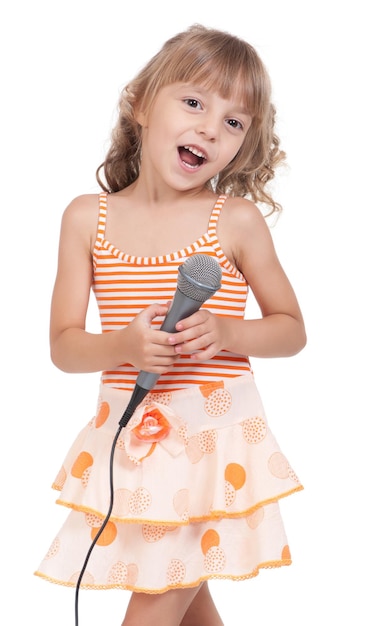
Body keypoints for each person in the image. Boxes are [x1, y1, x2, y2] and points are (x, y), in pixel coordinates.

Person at [35, 24, 307, 626]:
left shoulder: (233, 220)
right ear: (140, 103)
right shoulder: (87, 219)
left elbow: (291, 328)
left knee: (157, 606)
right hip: (131, 439)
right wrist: (125, 345)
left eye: (235, 122)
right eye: (194, 102)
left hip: (214, 441)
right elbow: (64, 346)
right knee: (188, 607)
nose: (212, 128)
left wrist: (230, 333)